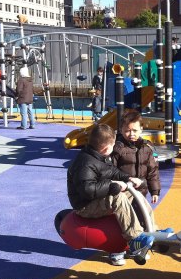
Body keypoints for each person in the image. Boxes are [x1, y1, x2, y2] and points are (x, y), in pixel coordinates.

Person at [67, 124, 155, 265]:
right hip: (85, 205)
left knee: (134, 194)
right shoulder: (85, 163)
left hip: (95, 198)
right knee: (118, 197)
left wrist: (127, 178)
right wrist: (113, 186)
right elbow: (87, 189)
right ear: (107, 147)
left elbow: (111, 171)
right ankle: (135, 239)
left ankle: (151, 229)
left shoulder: (99, 156)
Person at [110, 110, 162, 266]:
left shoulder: (147, 147)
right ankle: (117, 250)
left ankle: (140, 248)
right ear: (121, 130)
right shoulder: (117, 147)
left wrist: (155, 190)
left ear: (141, 130)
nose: (130, 134)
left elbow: (153, 170)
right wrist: (119, 183)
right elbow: (111, 169)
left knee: (141, 218)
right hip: (123, 192)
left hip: (140, 192)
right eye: (127, 130)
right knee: (122, 220)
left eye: (134, 130)